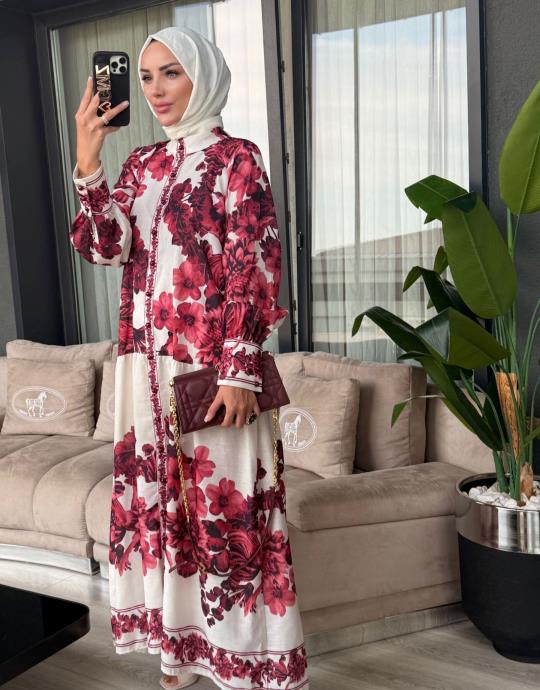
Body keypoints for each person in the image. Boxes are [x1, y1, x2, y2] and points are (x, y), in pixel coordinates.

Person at [71, 25, 310, 690]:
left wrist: (239, 370)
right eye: (146, 77)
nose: (155, 90)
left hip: (211, 371)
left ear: (202, 76)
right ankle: (178, 654)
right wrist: (88, 161)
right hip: (143, 371)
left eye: (170, 73)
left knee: (225, 512)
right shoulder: (139, 165)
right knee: (161, 508)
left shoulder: (237, 159)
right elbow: (103, 247)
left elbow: (254, 265)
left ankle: (249, 661)